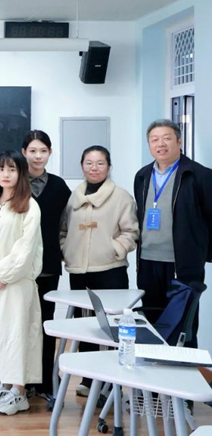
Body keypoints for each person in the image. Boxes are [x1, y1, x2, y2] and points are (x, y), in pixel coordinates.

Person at [61, 145, 139, 396]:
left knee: (109, 328)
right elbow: (64, 230)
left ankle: (110, 383)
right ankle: (88, 379)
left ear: (109, 166)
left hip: (110, 270)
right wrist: (67, 249)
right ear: (82, 166)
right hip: (79, 271)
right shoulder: (74, 197)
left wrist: (114, 249)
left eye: (100, 163)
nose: (94, 168)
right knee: (84, 325)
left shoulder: (121, 197)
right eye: (89, 163)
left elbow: (131, 232)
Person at [0, 150, 43, 416]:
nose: (6, 174)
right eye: (1, 169)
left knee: (17, 334)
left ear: (21, 173)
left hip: (15, 283)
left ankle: (19, 391)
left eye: (12, 169)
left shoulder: (29, 205)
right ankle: (4, 384)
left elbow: (26, 248)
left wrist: (2, 275)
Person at [134, 119, 212, 347]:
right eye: (154, 140)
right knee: (151, 323)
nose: (160, 144)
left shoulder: (199, 175)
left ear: (179, 142)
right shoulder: (142, 176)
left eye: (167, 138)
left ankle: (184, 370)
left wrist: (201, 254)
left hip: (183, 265)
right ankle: (153, 370)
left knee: (183, 329)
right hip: (148, 262)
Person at [20, 130, 71, 402]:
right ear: (24, 152)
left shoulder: (60, 186)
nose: (38, 156)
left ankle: (46, 380)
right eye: (33, 151)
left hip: (49, 265)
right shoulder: (15, 183)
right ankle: (23, 379)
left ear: (50, 153)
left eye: (43, 151)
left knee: (45, 324)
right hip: (19, 268)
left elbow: (67, 225)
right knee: (21, 324)